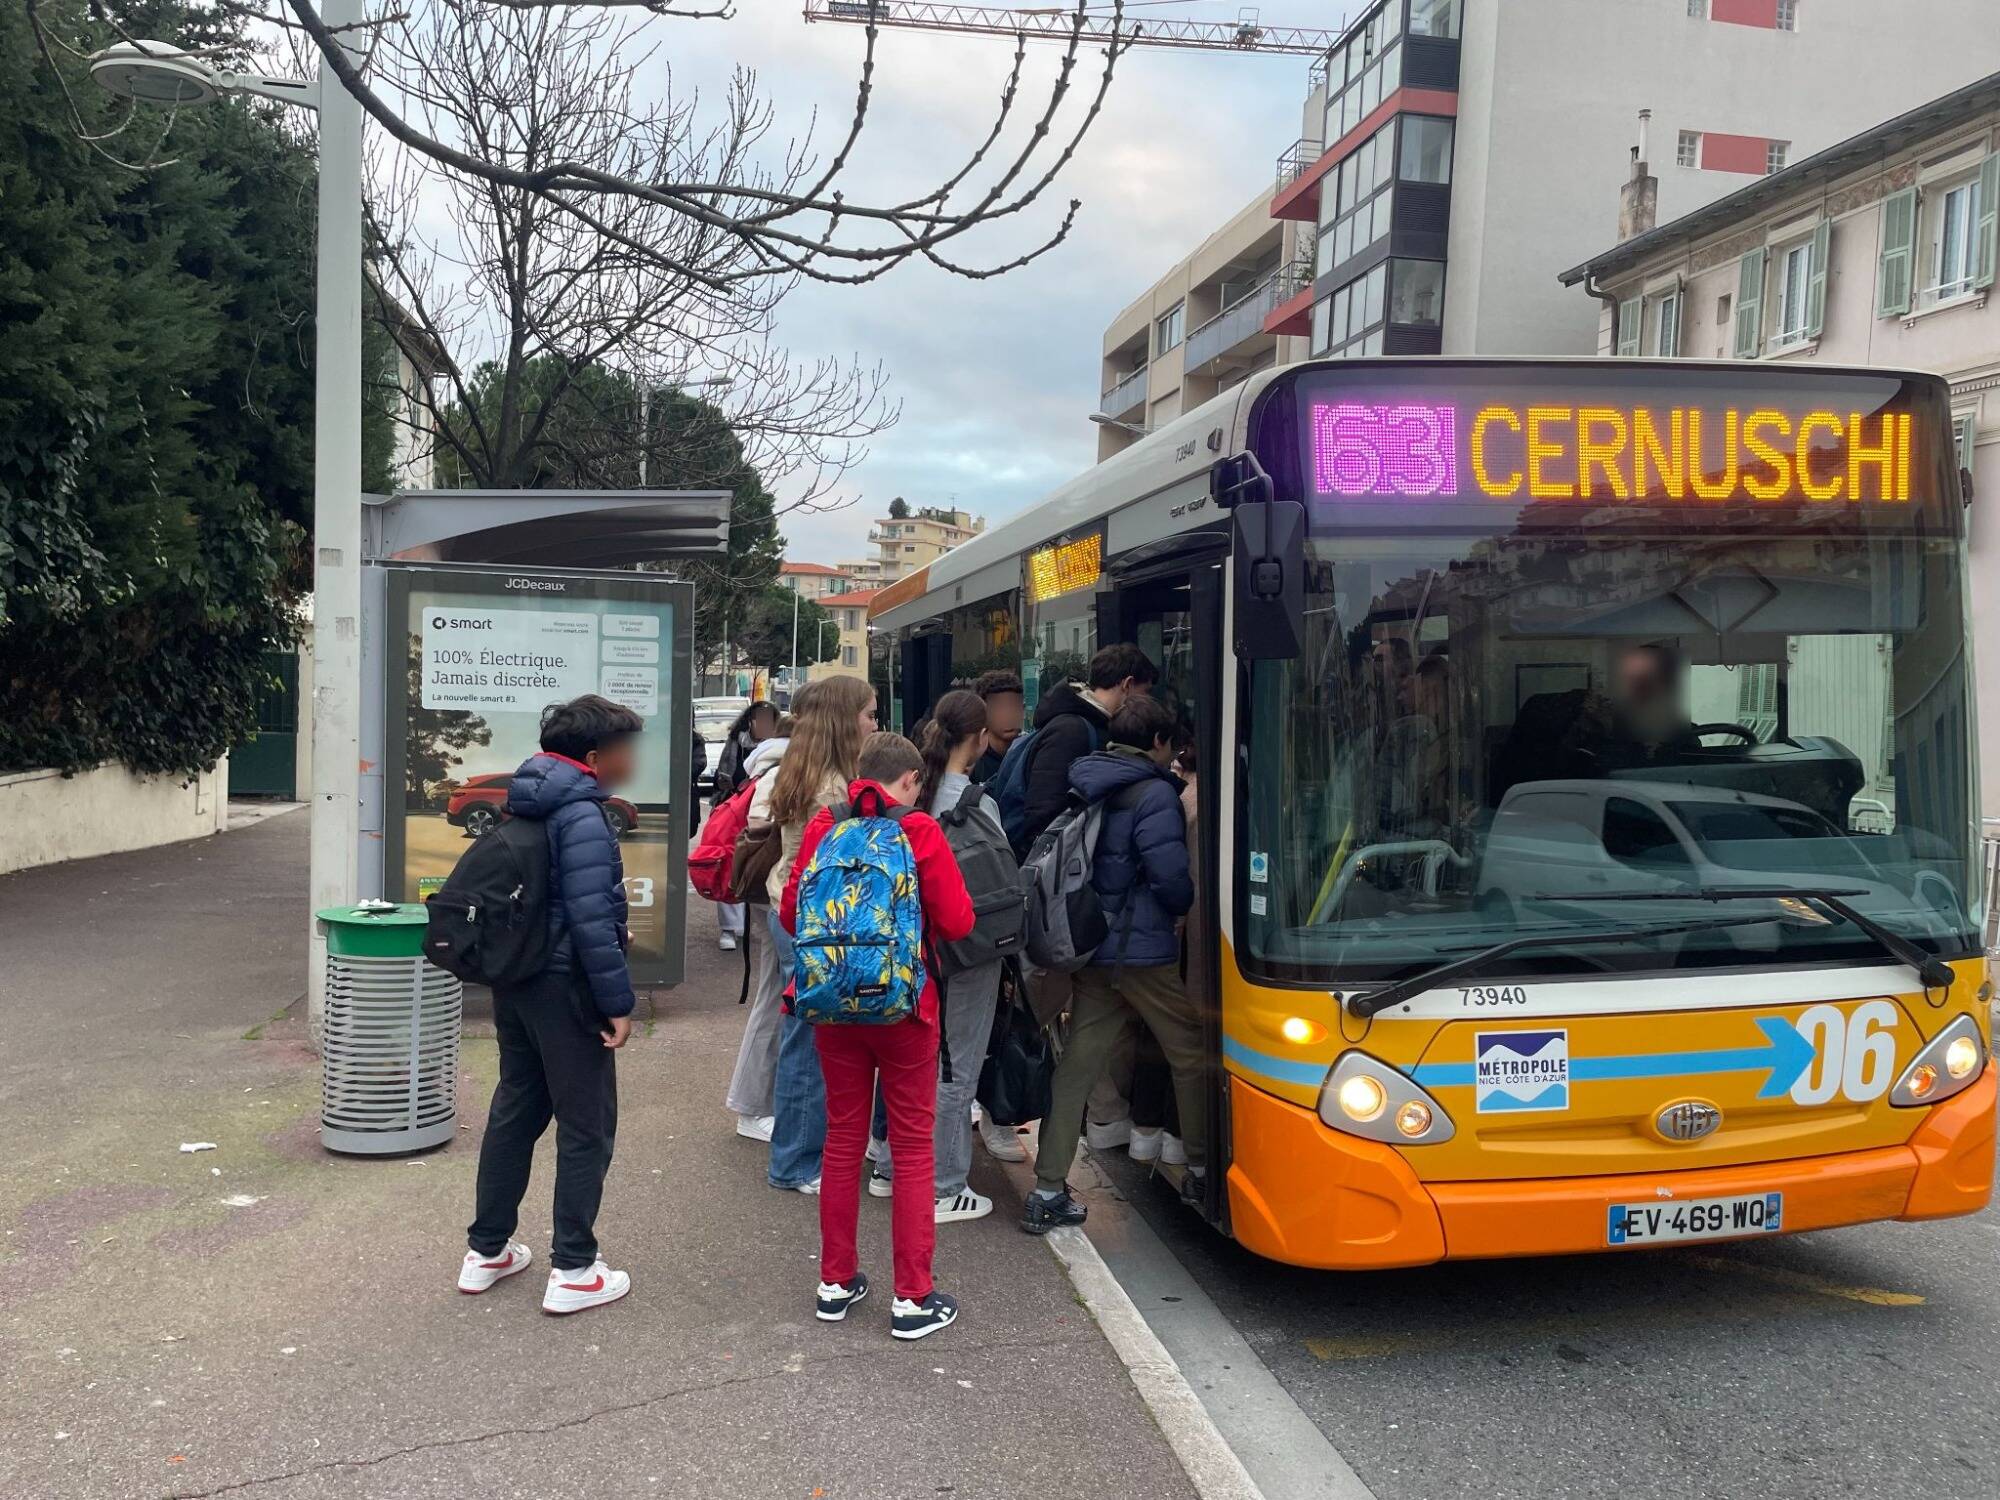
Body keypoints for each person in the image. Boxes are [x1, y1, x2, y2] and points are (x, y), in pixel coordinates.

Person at [783, 731, 975, 1339]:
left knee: (842, 1138)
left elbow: (793, 913)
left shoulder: (823, 826)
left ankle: (835, 1283)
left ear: (859, 773)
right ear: (912, 780)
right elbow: (958, 920)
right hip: (903, 1007)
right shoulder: (918, 831)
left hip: (832, 1007)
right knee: (913, 1146)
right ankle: (912, 1298)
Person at [460, 694, 639, 1315]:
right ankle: (574, 1269)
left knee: (517, 1109)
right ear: (595, 757)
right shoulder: (584, 813)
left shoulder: (528, 796)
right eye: (626, 750)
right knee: (587, 1126)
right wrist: (617, 1001)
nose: (631, 761)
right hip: (567, 990)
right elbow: (590, 918)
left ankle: (487, 1252)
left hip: (519, 981)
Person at [1024, 695, 1202, 1236]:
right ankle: (1200, 1169)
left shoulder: (1087, 782)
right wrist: (1181, 905)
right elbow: (1170, 875)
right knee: (1192, 1052)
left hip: (1093, 946)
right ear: (1157, 743)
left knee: (1079, 1065)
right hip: (1143, 952)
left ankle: (1047, 1188)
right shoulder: (1155, 794)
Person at [870, 691, 1019, 1216]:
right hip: (966, 949)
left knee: (906, 1058)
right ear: (979, 739)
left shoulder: (907, 797)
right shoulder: (978, 803)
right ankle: (945, 1184)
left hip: (907, 947)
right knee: (956, 1063)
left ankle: (888, 1165)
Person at [1015, 643, 1158, 1151]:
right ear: (1126, 685)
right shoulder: (1076, 731)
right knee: (1057, 1010)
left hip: (1068, 896)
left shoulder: (1073, 723)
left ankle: (1099, 1117)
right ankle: (1079, 1116)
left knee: (1078, 1014)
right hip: (1063, 898)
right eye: (1141, 692)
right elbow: (1045, 817)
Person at [754, 675, 880, 1193]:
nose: (876, 723)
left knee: (802, 1038)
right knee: (809, 1044)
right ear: (847, 720)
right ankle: (799, 1163)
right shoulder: (834, 786)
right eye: (871, 713)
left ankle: (799, 1154)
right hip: (813, 922)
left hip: (788, 909)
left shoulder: (805, 769)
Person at [722, 707, 804, 1144]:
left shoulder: (768, 767)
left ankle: (754, 1104)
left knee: (772, 997)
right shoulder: (782, 773)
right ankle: (752, 1106)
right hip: (776, 896)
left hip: (768, 894)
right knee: (773, 1000)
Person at [1018, 643, 1158, 852]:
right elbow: (1043, 815)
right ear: (1127, 685)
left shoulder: (1090, 724)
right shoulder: (1071, 731)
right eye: (1146, 692)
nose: (1148, 702)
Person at [710, 702, 779, 953]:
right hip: (735, 813)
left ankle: (757, 925)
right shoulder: (735, 744)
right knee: (729, 868)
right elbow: (723, 776)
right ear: (748, 721)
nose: (763, 725)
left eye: (768, 720)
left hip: (762, 819)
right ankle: (729, 928)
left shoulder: (780, 751)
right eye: (758, 719)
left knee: (760, 871)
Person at [970, 670, 1026, 784]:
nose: (1008, 714)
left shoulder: (1029, 754)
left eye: (1014, 705)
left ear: (1023, 709)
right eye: (999, 707)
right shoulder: (972, 762)